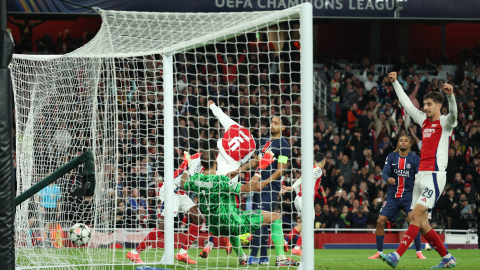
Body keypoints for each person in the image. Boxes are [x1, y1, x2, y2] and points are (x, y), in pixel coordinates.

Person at [380, 72, 457, 268]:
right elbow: (406, 104)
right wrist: (396, 82)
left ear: (439, 105)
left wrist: (451, 96)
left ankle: (397, 256)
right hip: (420, 176)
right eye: (424, 104)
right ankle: (447, 258)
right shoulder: (423, 120)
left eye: (429, 104)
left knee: (414, 216)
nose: (425, 108)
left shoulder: (445, 122)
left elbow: (455, 115)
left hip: (434, 176)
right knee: (422, 224)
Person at [181, 150, 299, 266]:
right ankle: (281, 258)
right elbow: (248, 188)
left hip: (213, 227)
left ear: (201, 164)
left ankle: (242, 257)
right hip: (233, 222)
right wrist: (260, 169)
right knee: (275, 217)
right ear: (215, 162)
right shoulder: (222, 181)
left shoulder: (196, 179)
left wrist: (186, 167)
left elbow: (183, 184)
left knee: (230, 220)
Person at [229, 115, 291, 265]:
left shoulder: (284, 145)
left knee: (261, 218)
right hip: (258, 184)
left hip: (270, 186)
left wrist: (265, 183)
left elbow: (281, 170)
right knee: (258, 219)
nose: (272, 125)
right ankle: (263, 257)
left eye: (276, 123)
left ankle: (253, 255)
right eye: (272, 122)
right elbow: (256, 160)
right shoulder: (264, 141)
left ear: (283, 128)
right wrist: (239, 170)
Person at [200, 100, 257, 257]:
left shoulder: (234, 125)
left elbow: (220, 114)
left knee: (216, 209)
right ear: (256, 127)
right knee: (229, 209)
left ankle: (211, 244)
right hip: (232, 173)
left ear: (243, 122)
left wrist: (211, 105)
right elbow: (245, 162)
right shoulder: (252, 144)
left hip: (216, 167)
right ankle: (232, 246)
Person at [127, 153, 205, 264]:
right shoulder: (198, 159)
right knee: (164, 226)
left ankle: (182, 253)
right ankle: (135, 252)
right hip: (172, 190)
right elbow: (184, 181)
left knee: (199, 219)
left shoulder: (211, 163)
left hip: (181, 192)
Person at [368, 135, 426, 260]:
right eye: (401, 140)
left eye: (406, 140)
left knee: (413, 220)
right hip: (393, 196)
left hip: (408, 196)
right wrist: (388, 179)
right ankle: (379, 252)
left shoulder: (415, 159)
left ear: (409, 144)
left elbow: (420, 176)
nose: (403, 142)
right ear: (398, 143)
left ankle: (419, 252)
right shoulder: (391, 156)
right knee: (380, 221)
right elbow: (384, 173)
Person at [280, 152, 326, 256]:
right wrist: (293, 187)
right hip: (305, 201)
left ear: (314, 161)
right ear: (324, 162)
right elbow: (305, 178)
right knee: (309, 224)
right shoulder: (318, 170)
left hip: (298, 199)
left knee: (303, 224)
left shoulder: (310, 169)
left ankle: (285, 241)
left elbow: (301, 181)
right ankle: (297, 247)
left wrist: (294, 188)